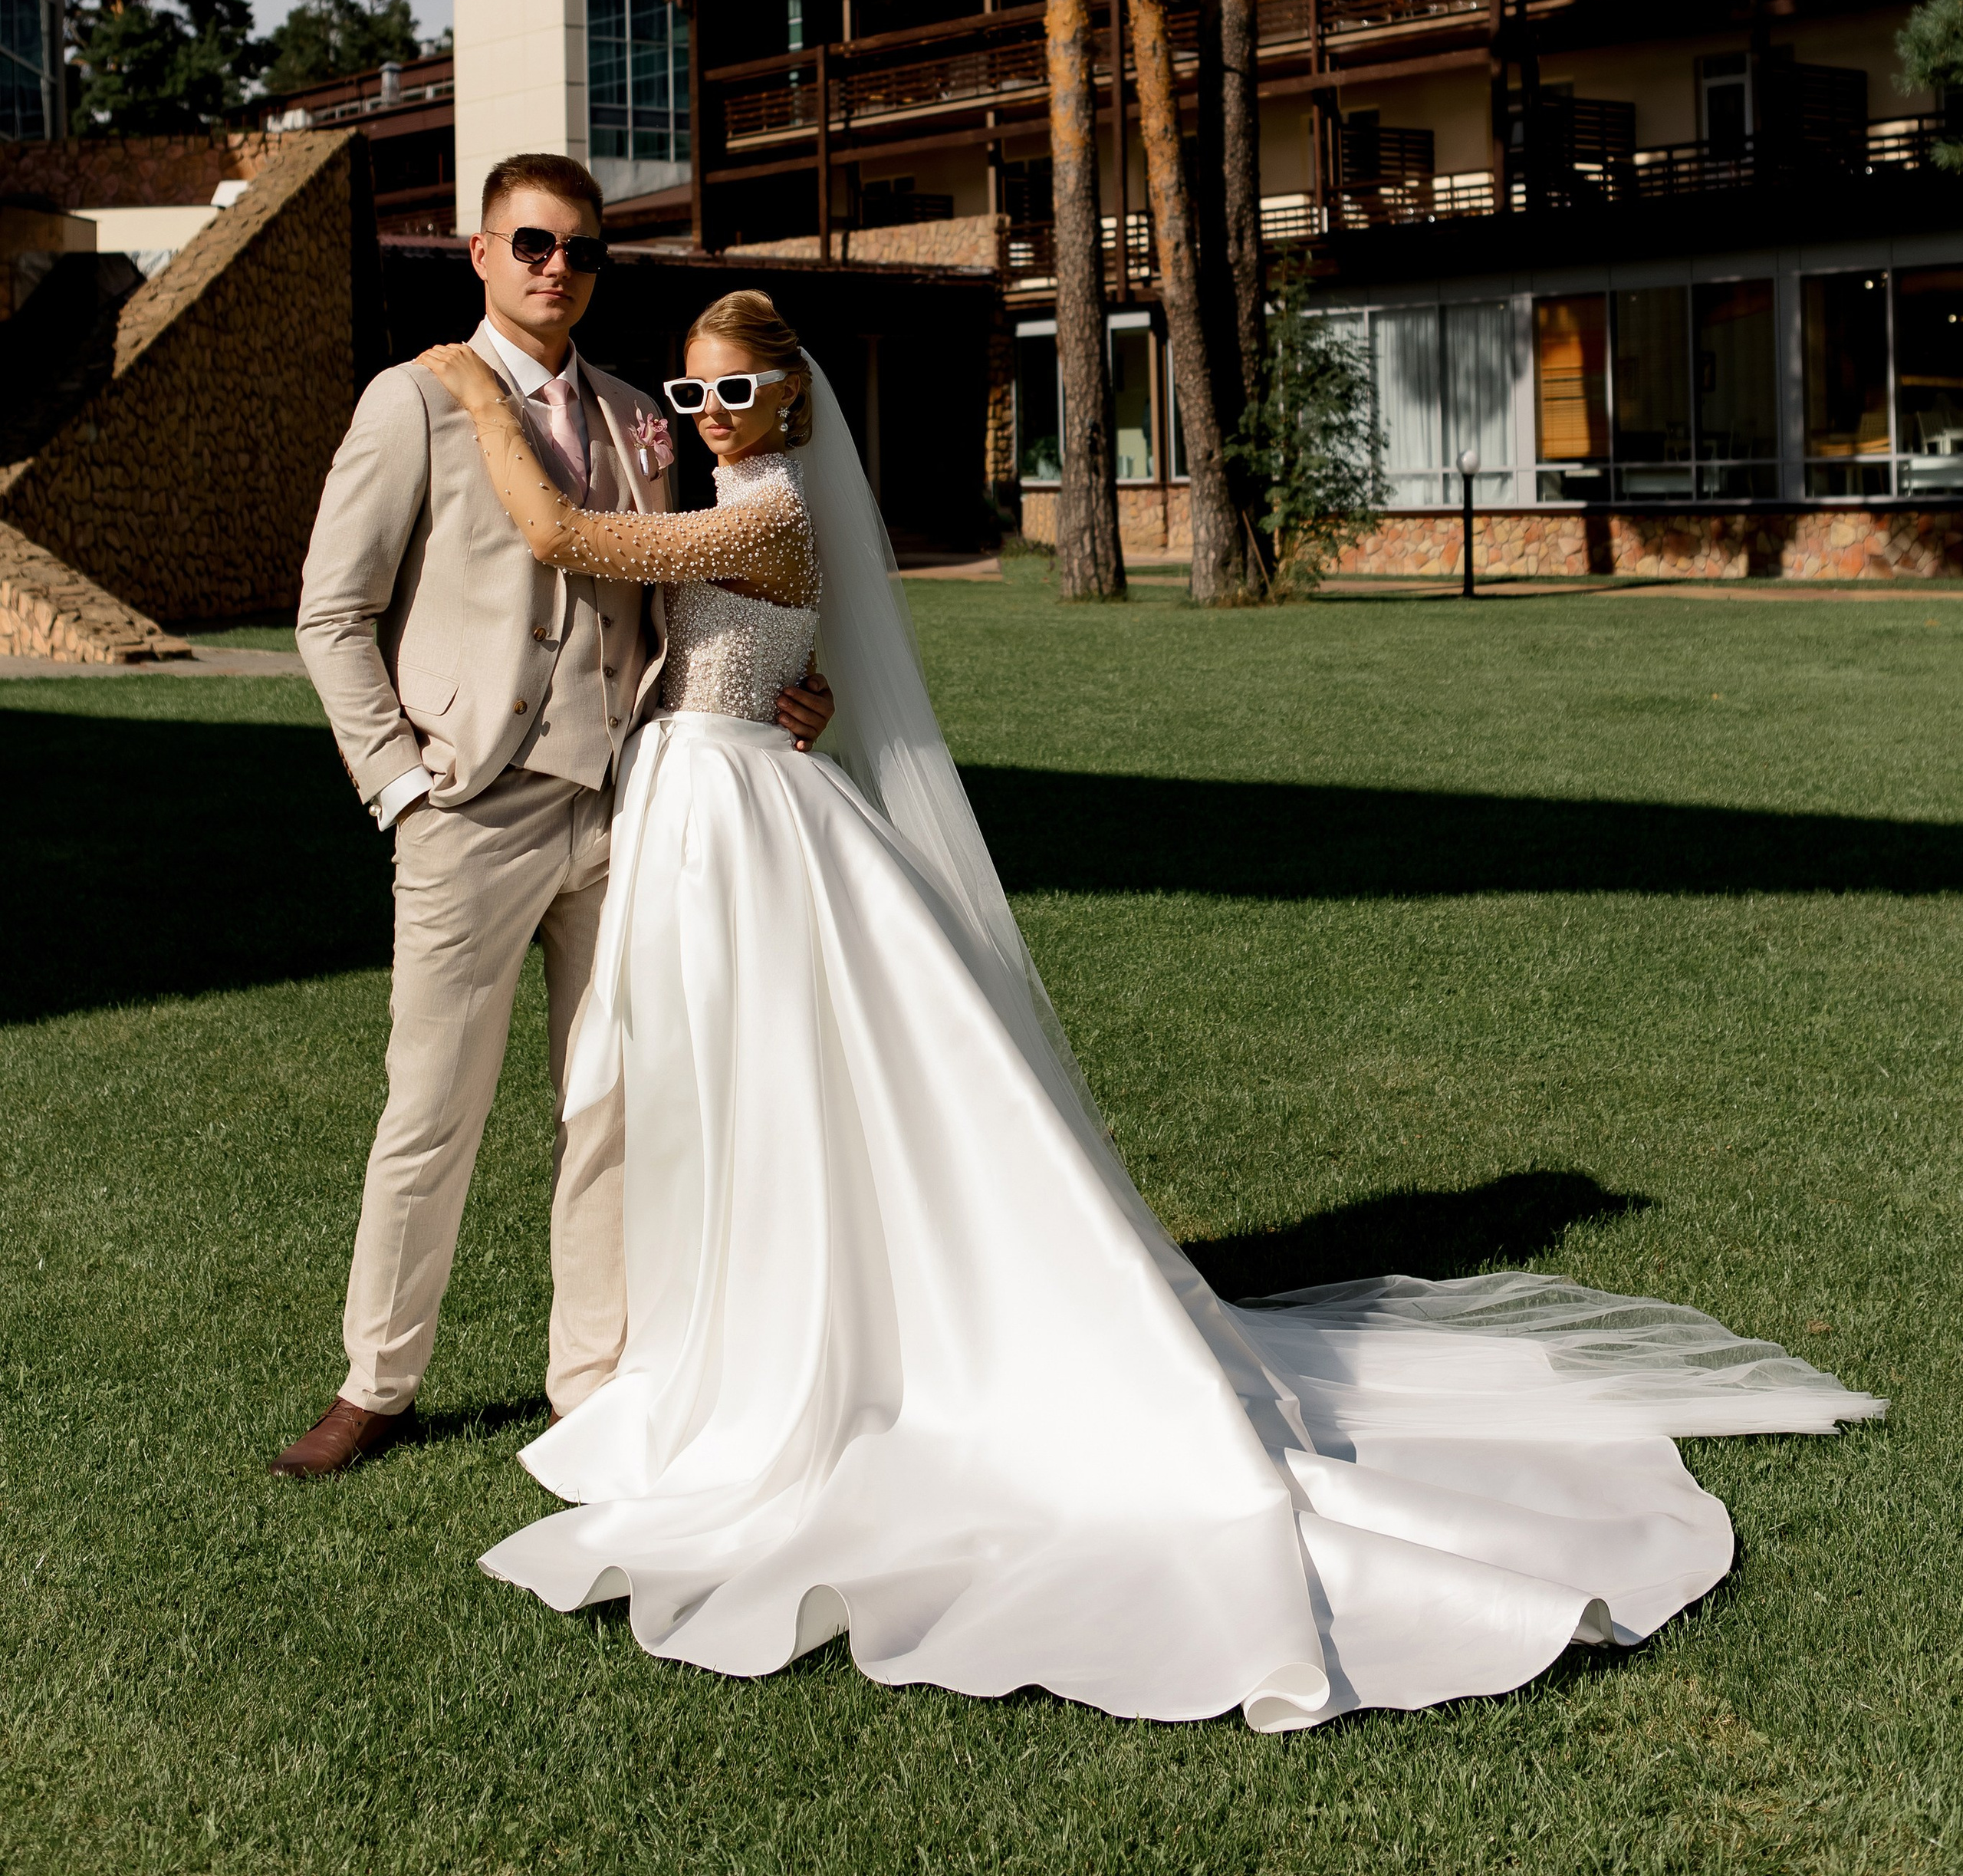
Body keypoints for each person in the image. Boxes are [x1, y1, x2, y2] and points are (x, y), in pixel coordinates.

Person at [416, 287, 1881, 1732]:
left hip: (739, 811)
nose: (712, 412)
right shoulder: (747, 493)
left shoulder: (773, 505)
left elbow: (562, 536)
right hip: (712, 797)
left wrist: (473, 384)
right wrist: (787, 687)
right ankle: (724, 1342)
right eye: (692, 392)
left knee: (786, 1098)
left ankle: (812, 1365)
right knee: (722, 1102)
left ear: (793, 397)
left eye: (734, 388)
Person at [275, 163, 831, 1479]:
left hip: (625, 808)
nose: (556, 267)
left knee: (612, 1103)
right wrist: (401, 785)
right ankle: (378, 1380)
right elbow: (329, 614)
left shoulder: (646, 419)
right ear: (481, 250)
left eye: (581, 250)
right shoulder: (412, 401)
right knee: (431, 1107)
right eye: (531, 241)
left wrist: (786, 687)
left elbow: (689, 606)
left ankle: (591, 1381)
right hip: (465, 813)